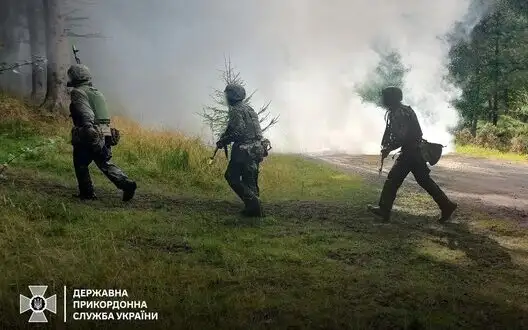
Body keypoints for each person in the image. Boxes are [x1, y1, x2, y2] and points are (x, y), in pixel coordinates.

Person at [367, 86, 457, 222]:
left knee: (393, 180)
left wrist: (388, 148)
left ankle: (384, 210)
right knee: (424, 181)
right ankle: (446, 205)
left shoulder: (398, 113)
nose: (383, 99)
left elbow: (403, 137)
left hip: (410, 153)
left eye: (385, 97)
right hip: (415, 152)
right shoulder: (403, 110)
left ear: (391, 98)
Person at [67, 64, 137, 201]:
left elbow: (86, 113)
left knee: (80, 162)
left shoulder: (78, 92)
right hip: (105, 131)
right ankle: (125, 183)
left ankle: (87, 193)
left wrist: (88, 129)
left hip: (89, 132)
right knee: (103, 162)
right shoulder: (96, 92)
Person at [216, 83, 268, 217]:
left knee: (231, 176)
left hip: (244, 150)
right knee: (250, 179)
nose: (226, 97)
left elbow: (238, 132)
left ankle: (254, 205)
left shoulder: (235, 110)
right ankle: (254, 210)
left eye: (227, 94)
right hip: (257, 149)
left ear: (232, 96)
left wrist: (224, 140)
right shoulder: (249, 108)